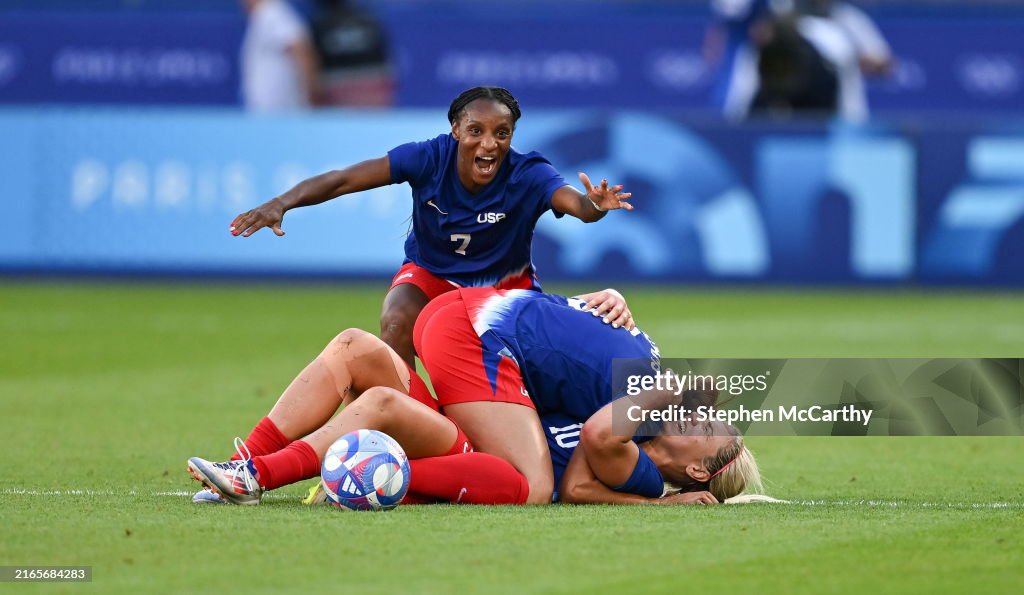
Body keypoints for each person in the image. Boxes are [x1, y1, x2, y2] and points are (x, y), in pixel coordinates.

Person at [188, 288, 761, 505]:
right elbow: (577, 472)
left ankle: (249, 472)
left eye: (710, 432)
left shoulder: (635, 442)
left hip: (466, 324)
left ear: (694, 469)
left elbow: (583, 470)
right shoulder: (633, 410)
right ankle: (254, 473)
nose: (705, 417)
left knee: (353, 347)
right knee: (529, 487)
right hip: (481, 349)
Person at [229, 86, 633, 368]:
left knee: (536, 368)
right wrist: (281, 203)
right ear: (456, 130)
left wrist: (594, 205)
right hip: (432, 276)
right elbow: (342, 179)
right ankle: (407, 426)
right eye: (476, 131)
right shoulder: (427, 158)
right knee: (397, 319)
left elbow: (574, 205)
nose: (489, 144)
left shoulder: (529, 173)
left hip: (503, 291)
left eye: (501, 133)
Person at [240, 0, 319, 112]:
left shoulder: (273, 13)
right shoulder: (264, 14)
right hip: (269, 110)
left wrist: (310, 92)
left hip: (280, 109)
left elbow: (301, 50)